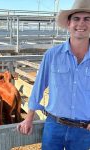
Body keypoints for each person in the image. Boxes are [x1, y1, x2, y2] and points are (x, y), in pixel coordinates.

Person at [17, 0, 90, 149]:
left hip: (84, 130)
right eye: (76, 19)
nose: (81, 24)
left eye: (87, 19)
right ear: (69, 24)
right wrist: (29, 117)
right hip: (54, 125)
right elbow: (39, 86)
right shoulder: (52, 55)